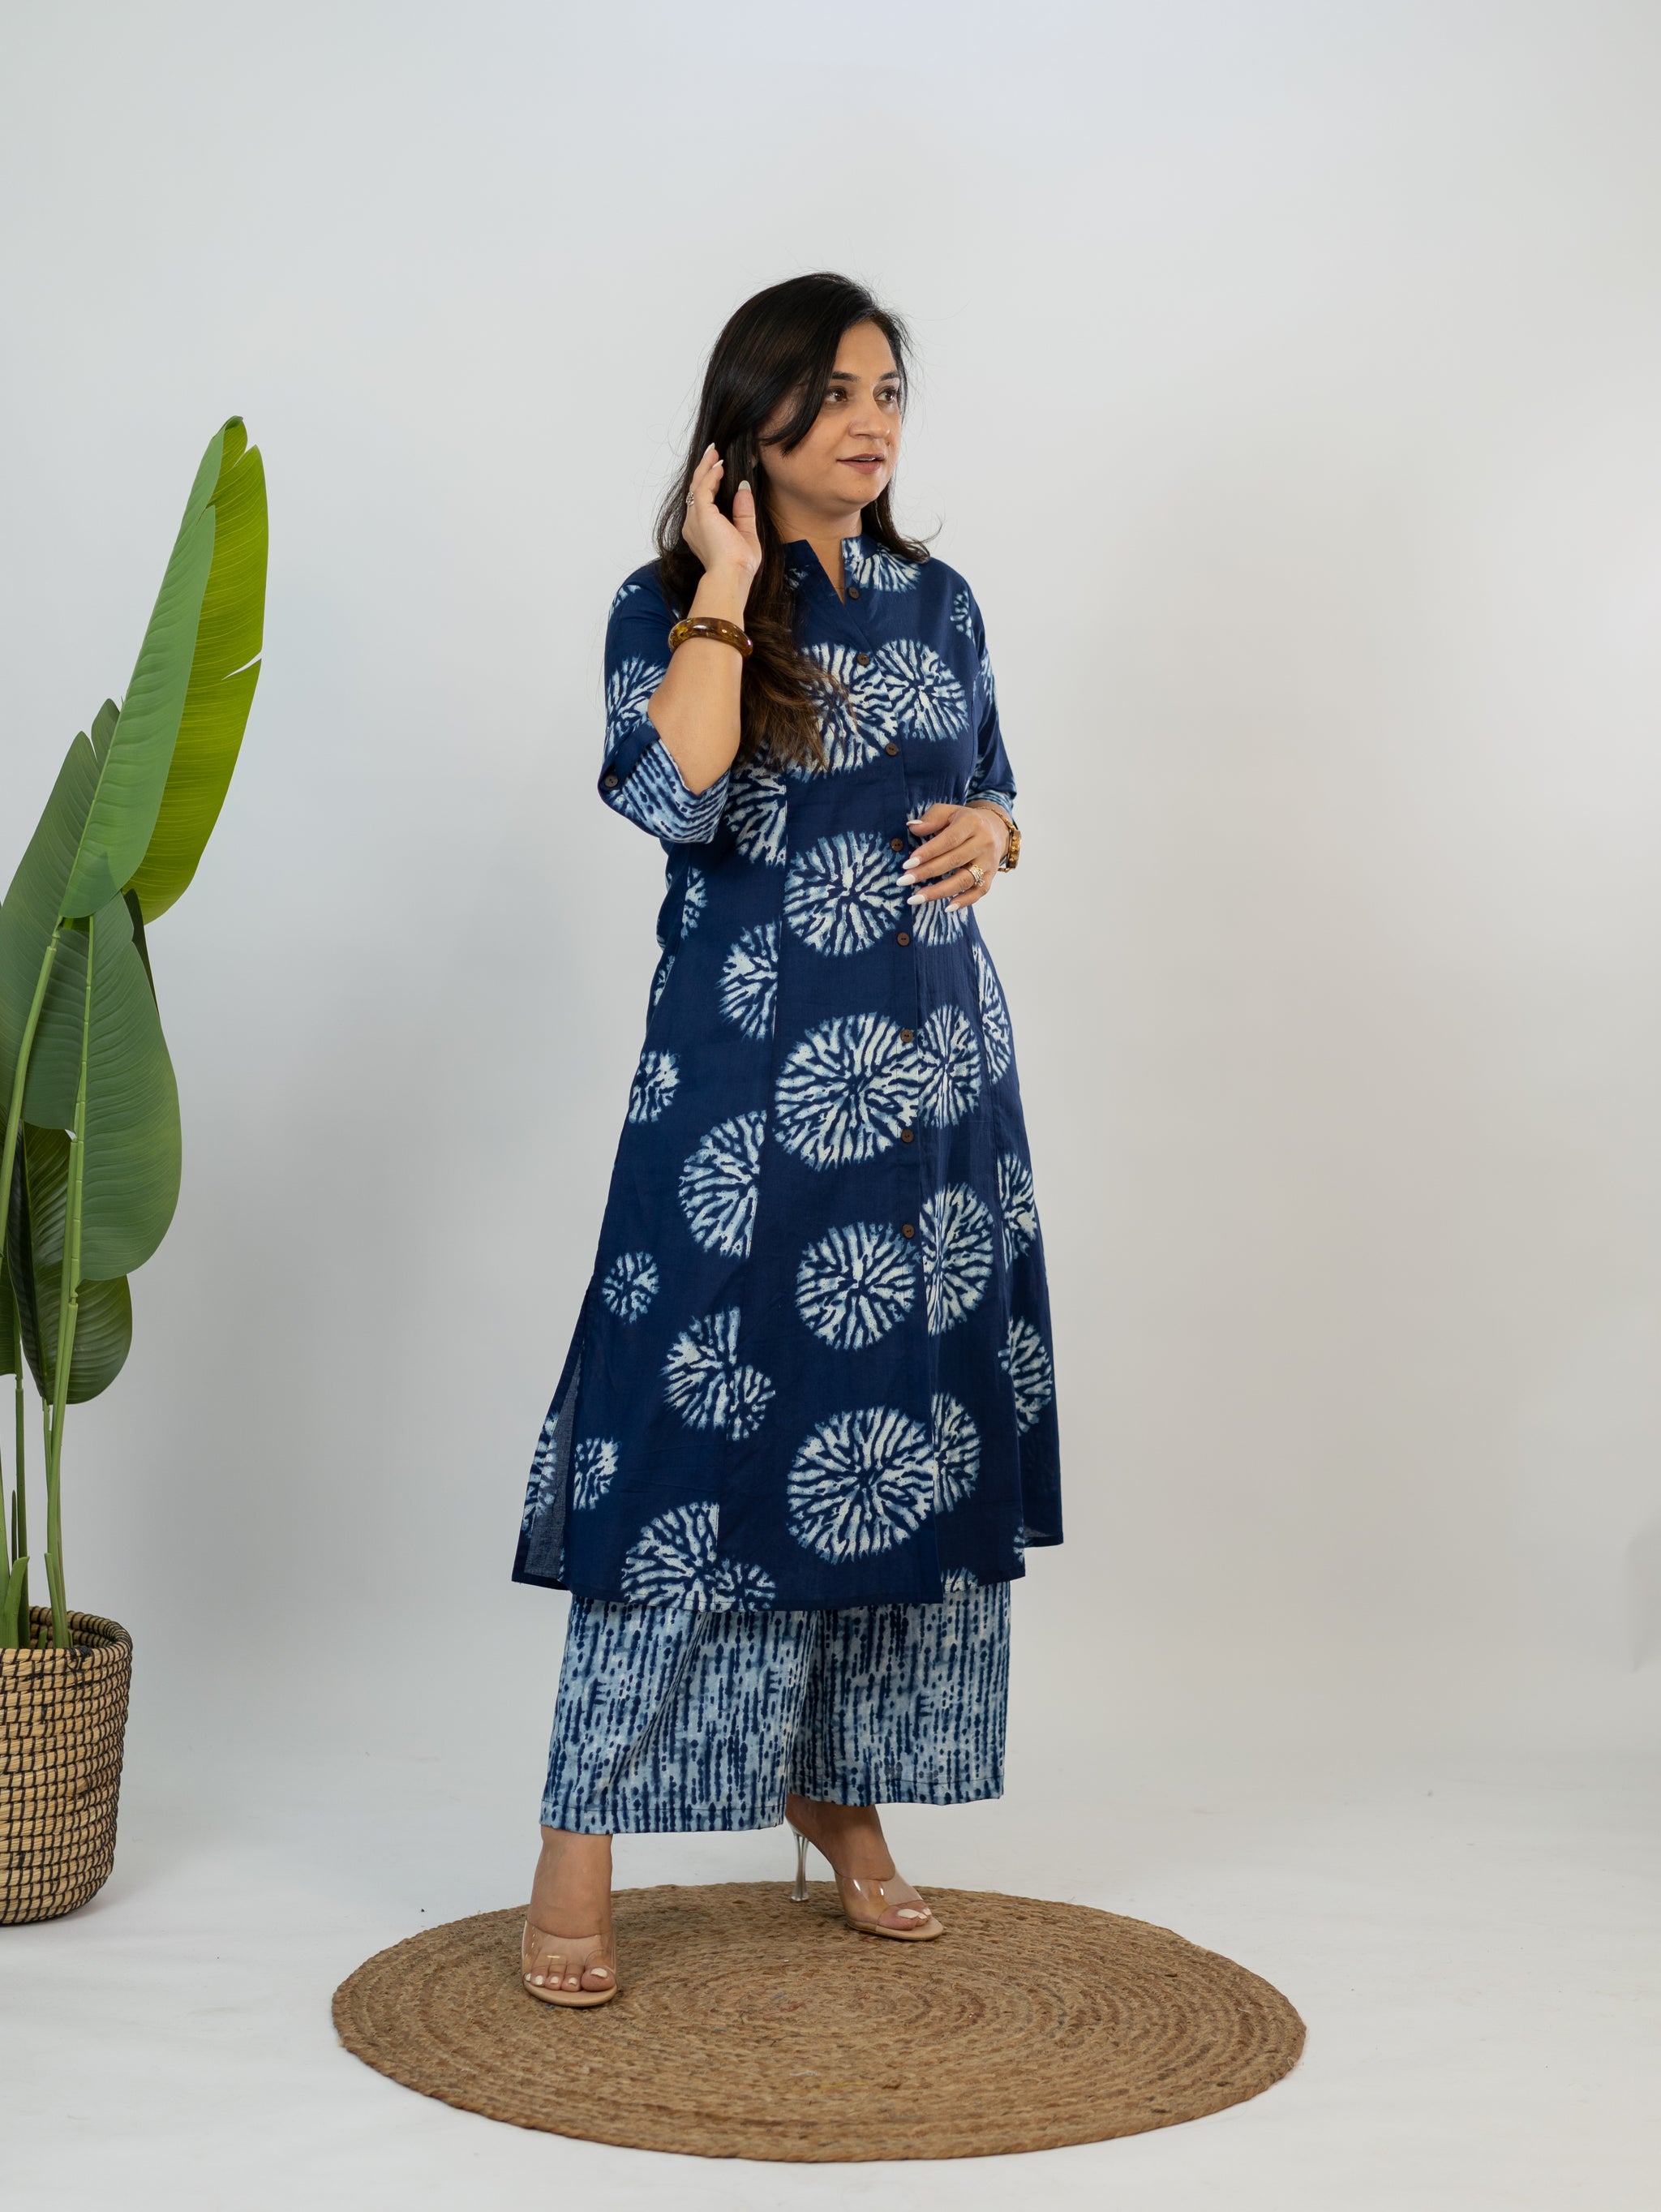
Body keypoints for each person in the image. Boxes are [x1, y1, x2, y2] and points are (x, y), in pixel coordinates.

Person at [513, 273, 1061, 2004]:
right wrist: (727, 587)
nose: (869, 420)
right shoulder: (666, 604)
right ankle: (579, 1837)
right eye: (831, 392)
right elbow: (669, 790)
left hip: (934, 1098)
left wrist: (999, 834)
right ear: (748, 418)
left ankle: (838, 1790)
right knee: (677, 1455)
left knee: (891, 1434)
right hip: (740, 1109)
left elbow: (996, 785)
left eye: (887, 390)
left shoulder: (941, 599)